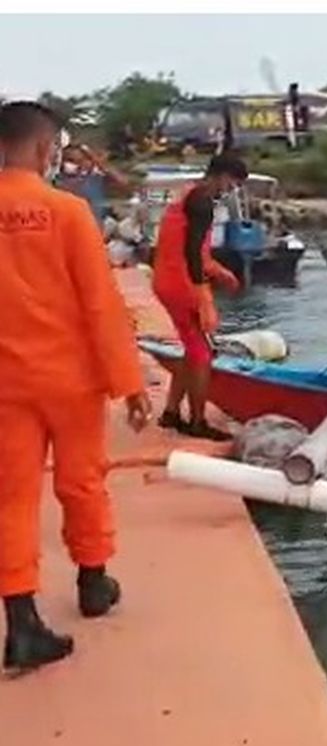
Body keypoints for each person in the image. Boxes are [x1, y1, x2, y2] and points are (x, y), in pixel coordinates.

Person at [0, 101, 150, 672]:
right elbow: (99, 303)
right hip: (71, 380)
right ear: (46, 149)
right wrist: (129, 383)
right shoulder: (67, 212)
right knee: (82, 481)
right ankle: (92, 581)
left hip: (6, 385)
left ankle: (22, 623)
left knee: (10, 497)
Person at [151, 152, 245, 440]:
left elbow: (190, 250)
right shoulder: (203, 202)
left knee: (192, 349)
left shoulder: (189, 195)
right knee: (203, 354)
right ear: (222, 175)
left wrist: (221, 273)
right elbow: (192, 254)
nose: (231, 190)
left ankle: (171, 413)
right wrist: (203, 296)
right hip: (181, 284)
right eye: (233, 183)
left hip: (166, 279)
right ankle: (198, 422)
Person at [56, 143, 131, 225]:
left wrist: (97, 162)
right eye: (70, 160)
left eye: (79, 160)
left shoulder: (96, 178)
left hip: (95, 226)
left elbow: (123, 182)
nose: (75, 164)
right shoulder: (57, 181)